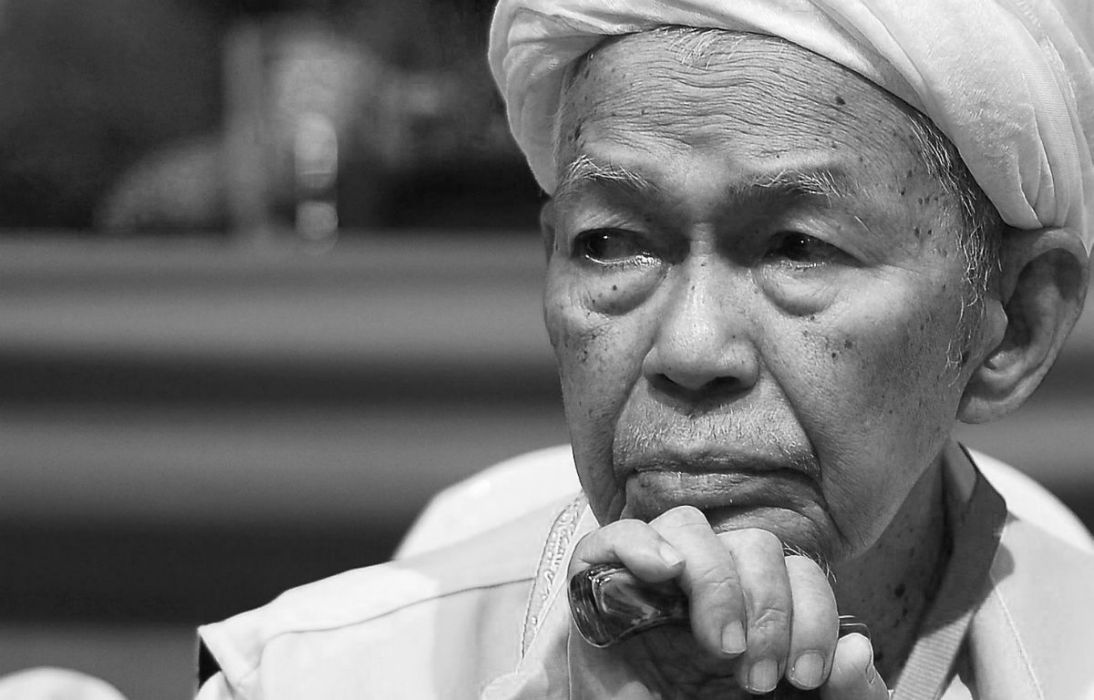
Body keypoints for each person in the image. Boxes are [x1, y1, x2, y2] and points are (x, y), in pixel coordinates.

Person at [196, 0, 1094, 697]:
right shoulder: (310, 676)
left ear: (1014, 323)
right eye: (610, 243)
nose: (691, 349)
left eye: (797, 248)